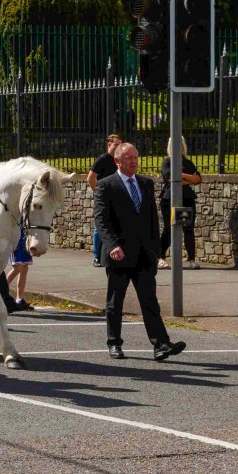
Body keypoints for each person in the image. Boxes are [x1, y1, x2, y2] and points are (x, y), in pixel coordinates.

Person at [94, 142, 186, 361]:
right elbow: (101, 220)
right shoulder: (106, 185)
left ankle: (161, 344)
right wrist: (112, 245)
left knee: (149, 300)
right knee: (115, 302)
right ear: (117, 161)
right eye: (128, 158)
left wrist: (156, 252)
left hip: (144, 254)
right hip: (119, 254)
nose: (134, 161)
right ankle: (114, 343)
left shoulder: (145, 183)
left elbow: (152, 219)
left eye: (136, 157)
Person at [158, 136, 201, 270]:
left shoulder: (188, 163)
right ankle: (160, 257)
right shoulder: (167, 162)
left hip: (186, 198)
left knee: (188, 229)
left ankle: (191, 259)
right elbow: (171, 178)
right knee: (168, 228)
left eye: (180, 144)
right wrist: (188, 178)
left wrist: (183, 176)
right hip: (169, 199)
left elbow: (198, 179)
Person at [86, 134, 121, 267]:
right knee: (99, 227)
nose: (118, 147)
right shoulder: (102, 159)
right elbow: (90, 178)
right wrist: (98, 193)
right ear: (108, 145)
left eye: (120, 144)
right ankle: (96, 256)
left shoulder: (120, 160)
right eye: (116, 144)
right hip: (104, 198)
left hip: (117, 197)